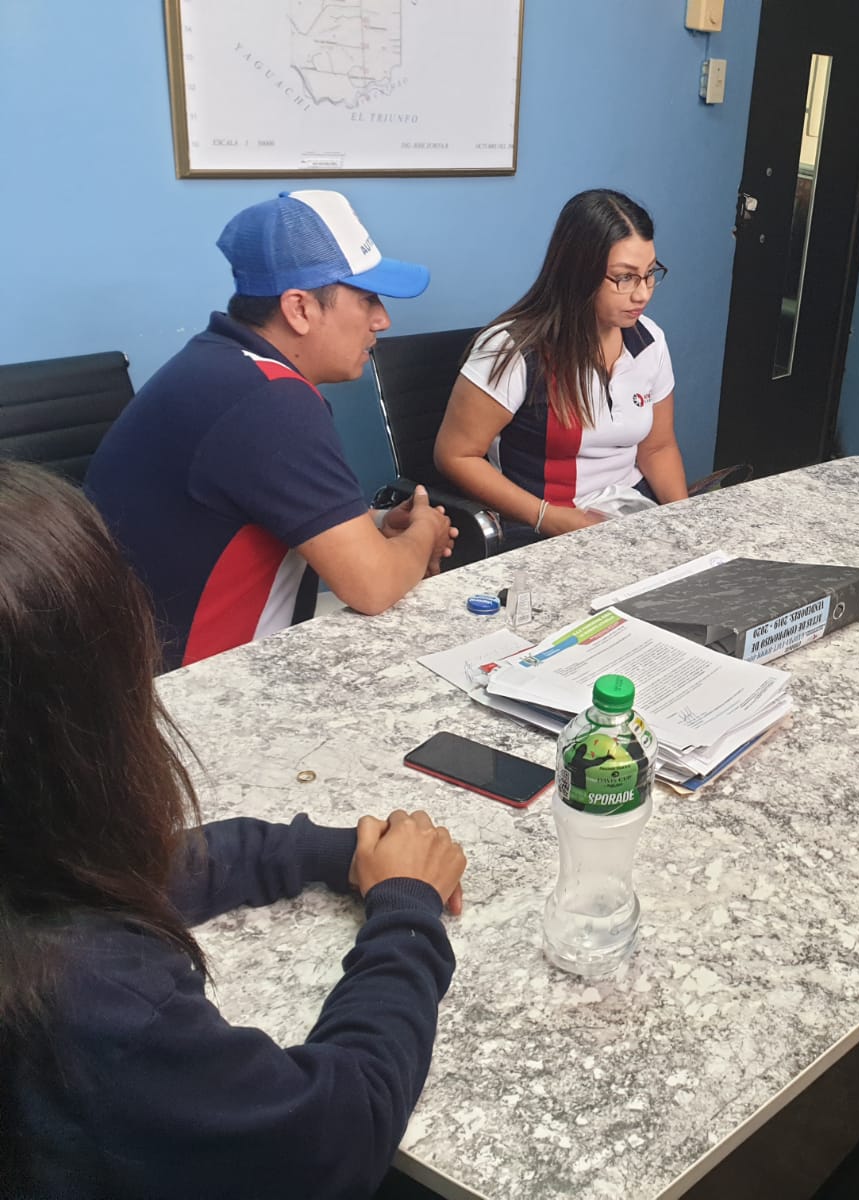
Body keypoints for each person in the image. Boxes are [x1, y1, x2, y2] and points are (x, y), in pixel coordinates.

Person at [0, 461, 469, 1198]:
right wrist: (406, 917)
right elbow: (337, 1137)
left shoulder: (29, 875)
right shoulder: (98, 1004)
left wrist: (319, 852)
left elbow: (92, 873)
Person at [85, 189, 455, 671]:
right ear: (299, 308)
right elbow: (374, 586)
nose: (382, 320)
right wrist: (425, 532)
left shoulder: (218, 364)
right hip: (191, 687)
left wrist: (379, 525)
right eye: (367, 299)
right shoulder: (271, 401)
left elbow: (245, 516)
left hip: (127, 668)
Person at [434, 189, 687, 545]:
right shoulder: (513, 351)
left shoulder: (649, 341)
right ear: (579, 273)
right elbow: (455, 455)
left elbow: (657, 448)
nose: (642, 293)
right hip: (544, 525)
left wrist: (685, 522)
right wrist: (548, 518)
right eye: (625, 278)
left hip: (630, 513)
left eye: (649, 274)